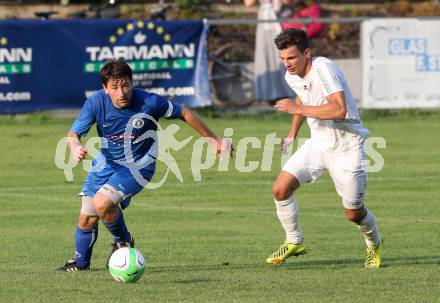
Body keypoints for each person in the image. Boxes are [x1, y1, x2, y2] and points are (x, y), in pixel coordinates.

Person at [57, 58, 233, 271]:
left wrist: (213, 139)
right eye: (114, 87)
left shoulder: (149, 102)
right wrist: (75, 147)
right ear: (105, 88)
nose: (121, 92)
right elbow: (73, 134)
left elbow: (184, 112)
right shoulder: (95, 102)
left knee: (103, 203)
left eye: (125, 85)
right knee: (87, 216)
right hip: (106, 162)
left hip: (138, 166)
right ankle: (80, 263)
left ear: (132, 83)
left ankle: (124, 243)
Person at [267, 29, 382, 268]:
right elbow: (301, 100)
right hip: (318, 144)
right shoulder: (292, 76)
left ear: (306, 53)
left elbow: (338, 109)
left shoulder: (324, 69)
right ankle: (294, 241)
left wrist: (297, 110)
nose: (287, 64)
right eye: (283, 59)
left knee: (353, 213)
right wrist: (292, 133)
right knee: (280, 189)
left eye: (291, 58)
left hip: (348, 147)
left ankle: (374, 244)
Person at [244, 0, 295, 103]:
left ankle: (290, 92)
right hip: (265, 19)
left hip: (281, 17)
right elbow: (248, 3)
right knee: (265, 55)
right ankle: (268, 93)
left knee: (284, 52)